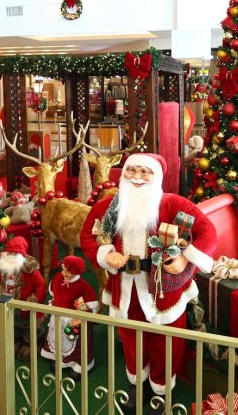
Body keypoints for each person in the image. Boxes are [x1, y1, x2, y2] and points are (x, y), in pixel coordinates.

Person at [80, 153, 217, 414]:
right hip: (125, 287)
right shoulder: (111, 206)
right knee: (131, 337)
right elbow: (88, 234)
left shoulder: (173, 204)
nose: (137, 177)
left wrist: (185, 260)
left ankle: (160, 390)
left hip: (163, 290)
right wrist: (105, 254)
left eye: (145, 172)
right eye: (131, 170)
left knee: (165, 341)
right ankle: (138, 384)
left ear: (156, 177)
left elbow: (207, 231)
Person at [40, 255, 98, 379]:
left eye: (69, 272)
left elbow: (90, 307)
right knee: (55, 337)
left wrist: (79, 314)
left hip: (74, 320)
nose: (65, 274)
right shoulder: (57, 278)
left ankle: (77, 365)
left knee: (73, 340)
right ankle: (58, 357)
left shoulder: (83, 287)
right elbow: (53, 293)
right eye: (64, 270)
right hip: (57, 317)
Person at [0, 236, 46, 361]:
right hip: (9, 306)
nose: (11, 256)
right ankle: (17, 342)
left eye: (15, 253)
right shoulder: (3, 269)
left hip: (26, 309)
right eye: (9, 253)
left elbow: (41, 287)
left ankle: (31, 344)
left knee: (29, 329)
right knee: (15, 327)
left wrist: (32, 301)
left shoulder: (31, 271)